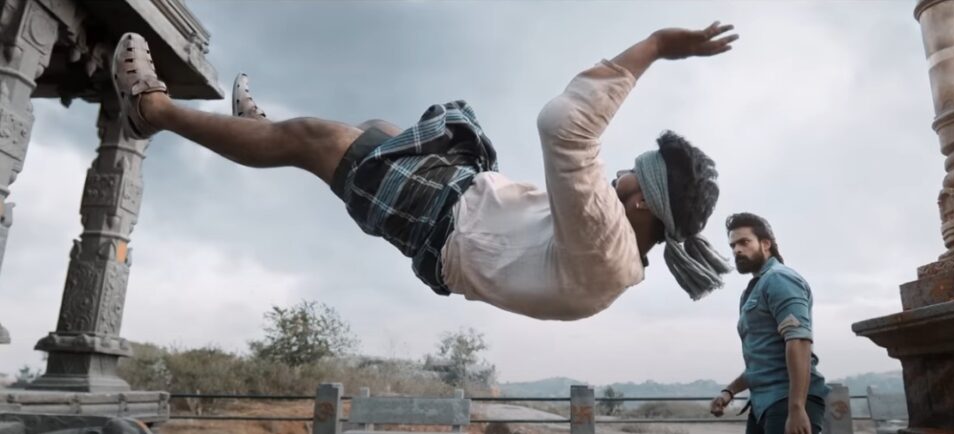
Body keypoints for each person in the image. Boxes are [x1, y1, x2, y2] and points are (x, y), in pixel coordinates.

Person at [108, 22, 738, 320]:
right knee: (375, 128)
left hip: (444, 221)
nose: (619, 174)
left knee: (312, 140)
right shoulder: (616, 254)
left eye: (633, 173)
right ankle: (265, 135)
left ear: (643, 202)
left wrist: (655, 46)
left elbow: (563, 127)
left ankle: (150, 111)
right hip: (465, 199)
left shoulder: (606, 243)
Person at [710, 213, 830, 434]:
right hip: (763, 404)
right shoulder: (752, 291)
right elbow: (763, 363)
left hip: (788, 401)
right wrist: (729, 392)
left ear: (766, 244)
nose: (737, 250)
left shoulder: (779, 279)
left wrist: (797, 408)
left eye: (744, 242)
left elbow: (799, 341)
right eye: (733, 245)